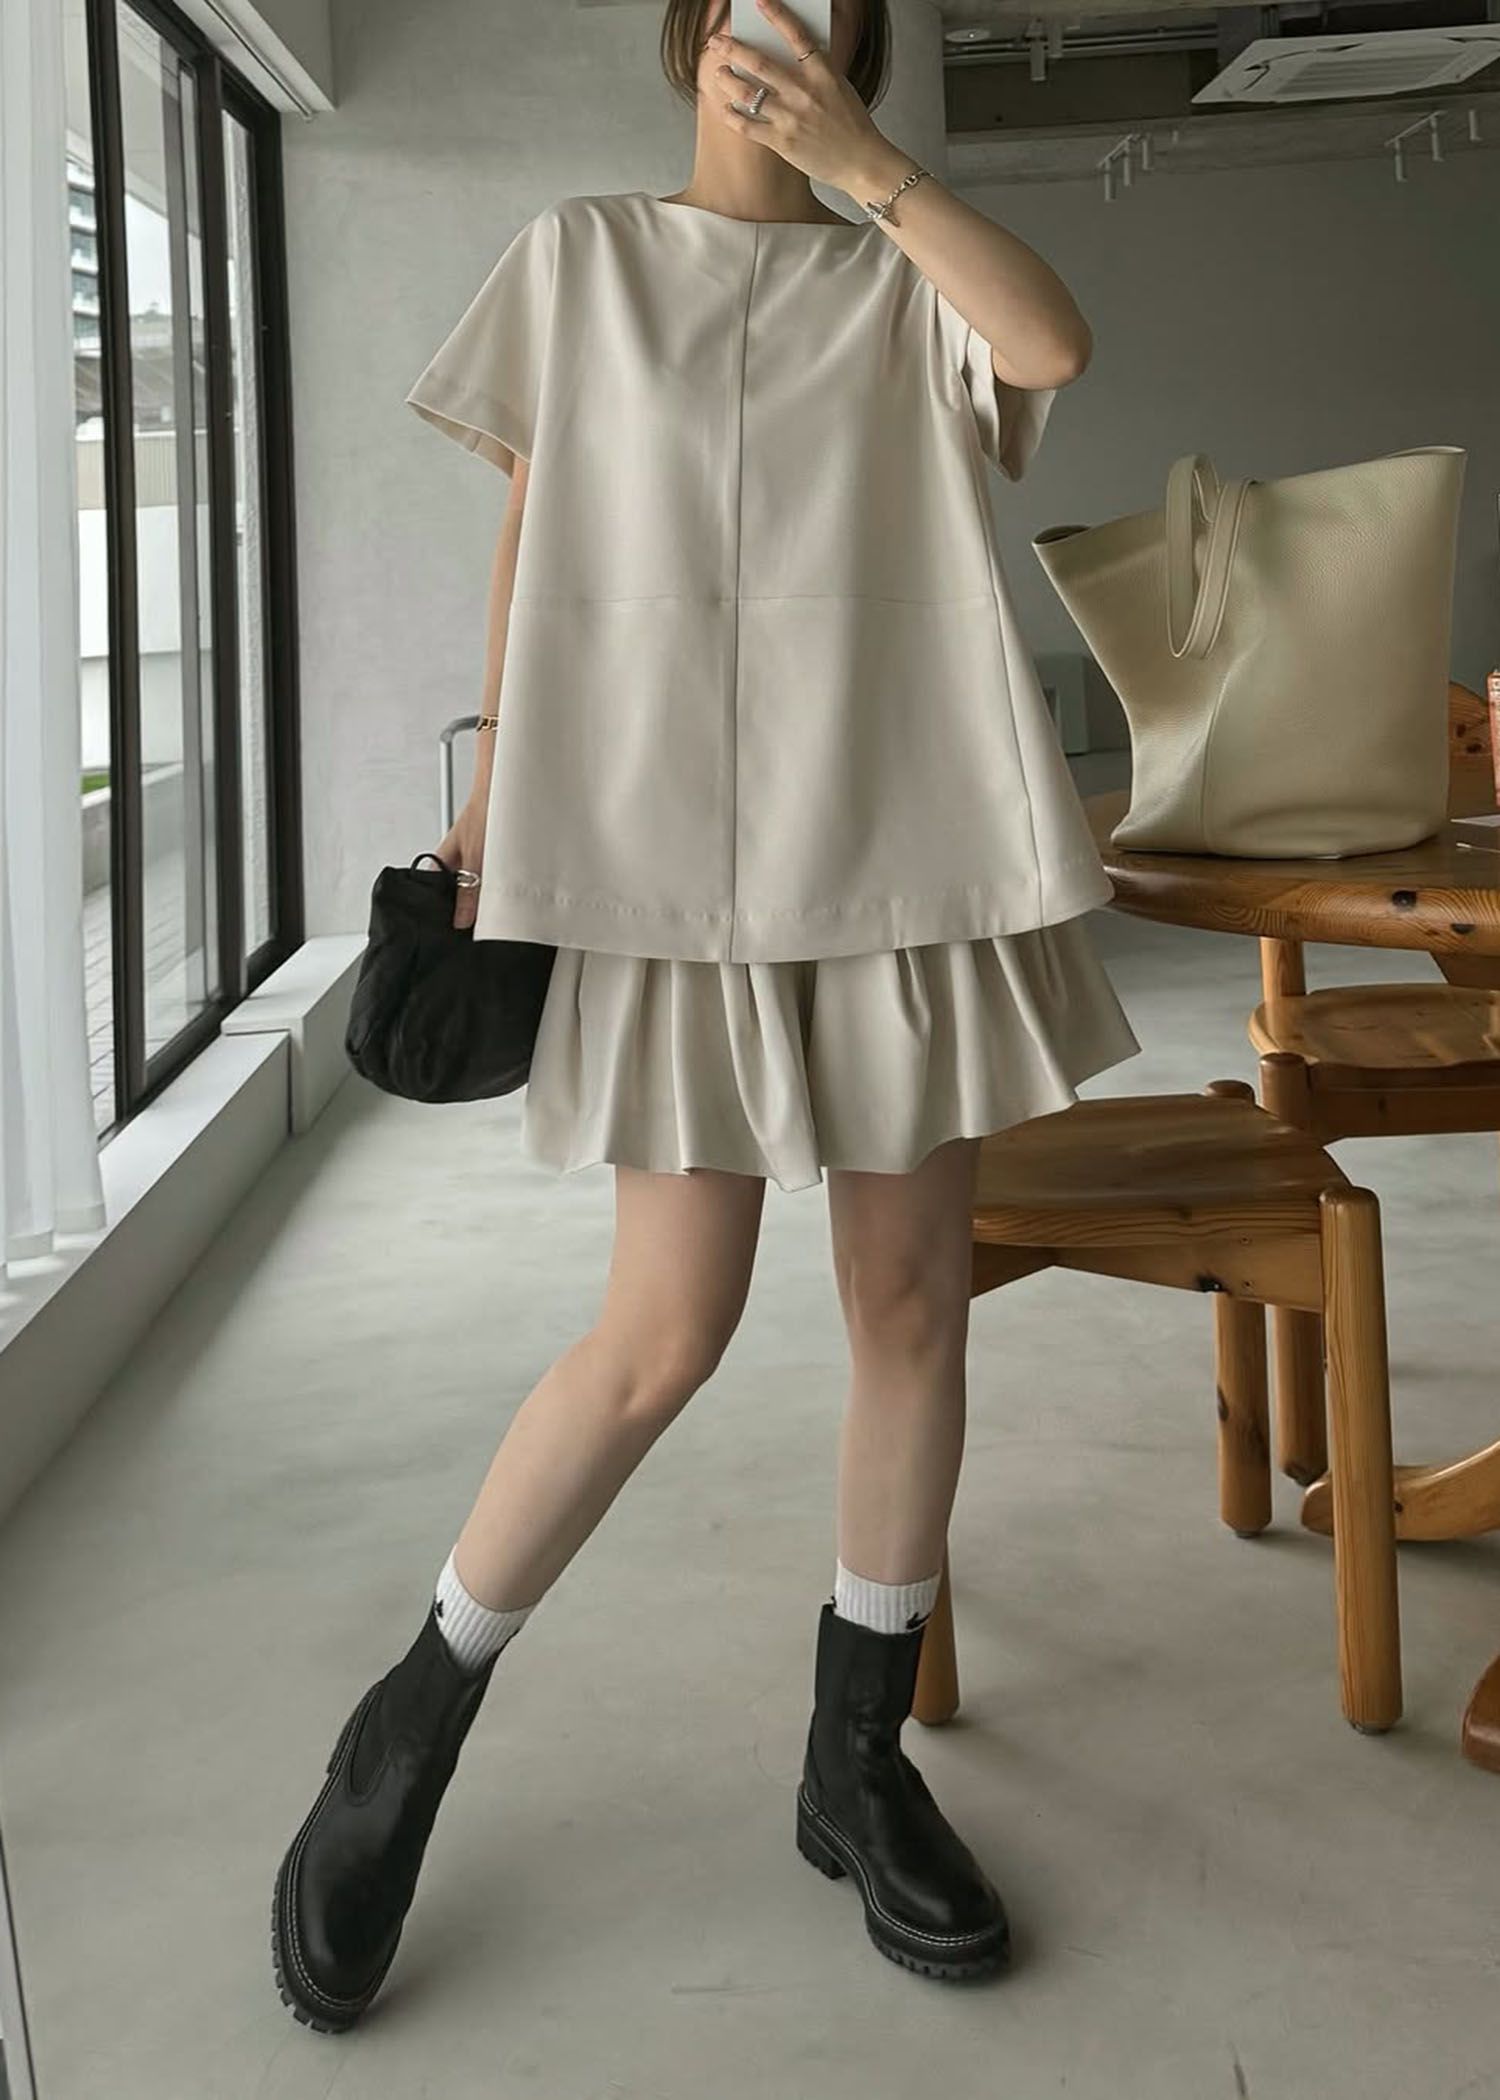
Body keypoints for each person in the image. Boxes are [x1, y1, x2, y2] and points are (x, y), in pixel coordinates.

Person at [272, 0, 1142, 2029]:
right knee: (662, 1333)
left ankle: (856, 1764)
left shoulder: (908, 269)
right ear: (688, 28)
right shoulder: (580, 258)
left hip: (905, 846)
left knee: (910, 1304)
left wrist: (874, 178)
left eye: (830, 4)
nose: (787, 29)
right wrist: (496, 804)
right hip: (667, 864)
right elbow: (532, 532)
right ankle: (408, 1723)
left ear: (861, 44)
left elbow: (1052, 348)